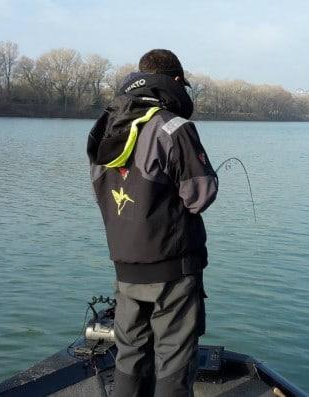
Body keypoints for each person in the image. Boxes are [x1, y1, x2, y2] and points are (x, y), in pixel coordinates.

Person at [86, 49, 218, 397]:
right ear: (176, 82)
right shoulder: (175, 127)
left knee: (129, 356)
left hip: (125, 268)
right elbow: (200, 195)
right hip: (173, 270)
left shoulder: (106, 125)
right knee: (174, 360)